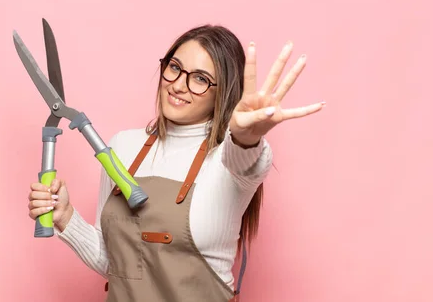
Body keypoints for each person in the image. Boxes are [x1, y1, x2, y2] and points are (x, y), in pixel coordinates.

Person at [27, 25, 324, 302]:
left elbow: (248, 158)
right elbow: (116, 265)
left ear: (224, 91)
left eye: (200, 79)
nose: (179, 85)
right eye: (175, 67)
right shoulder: (121, 147)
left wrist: (246, 135)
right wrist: (66, 217)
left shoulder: (230, 159)